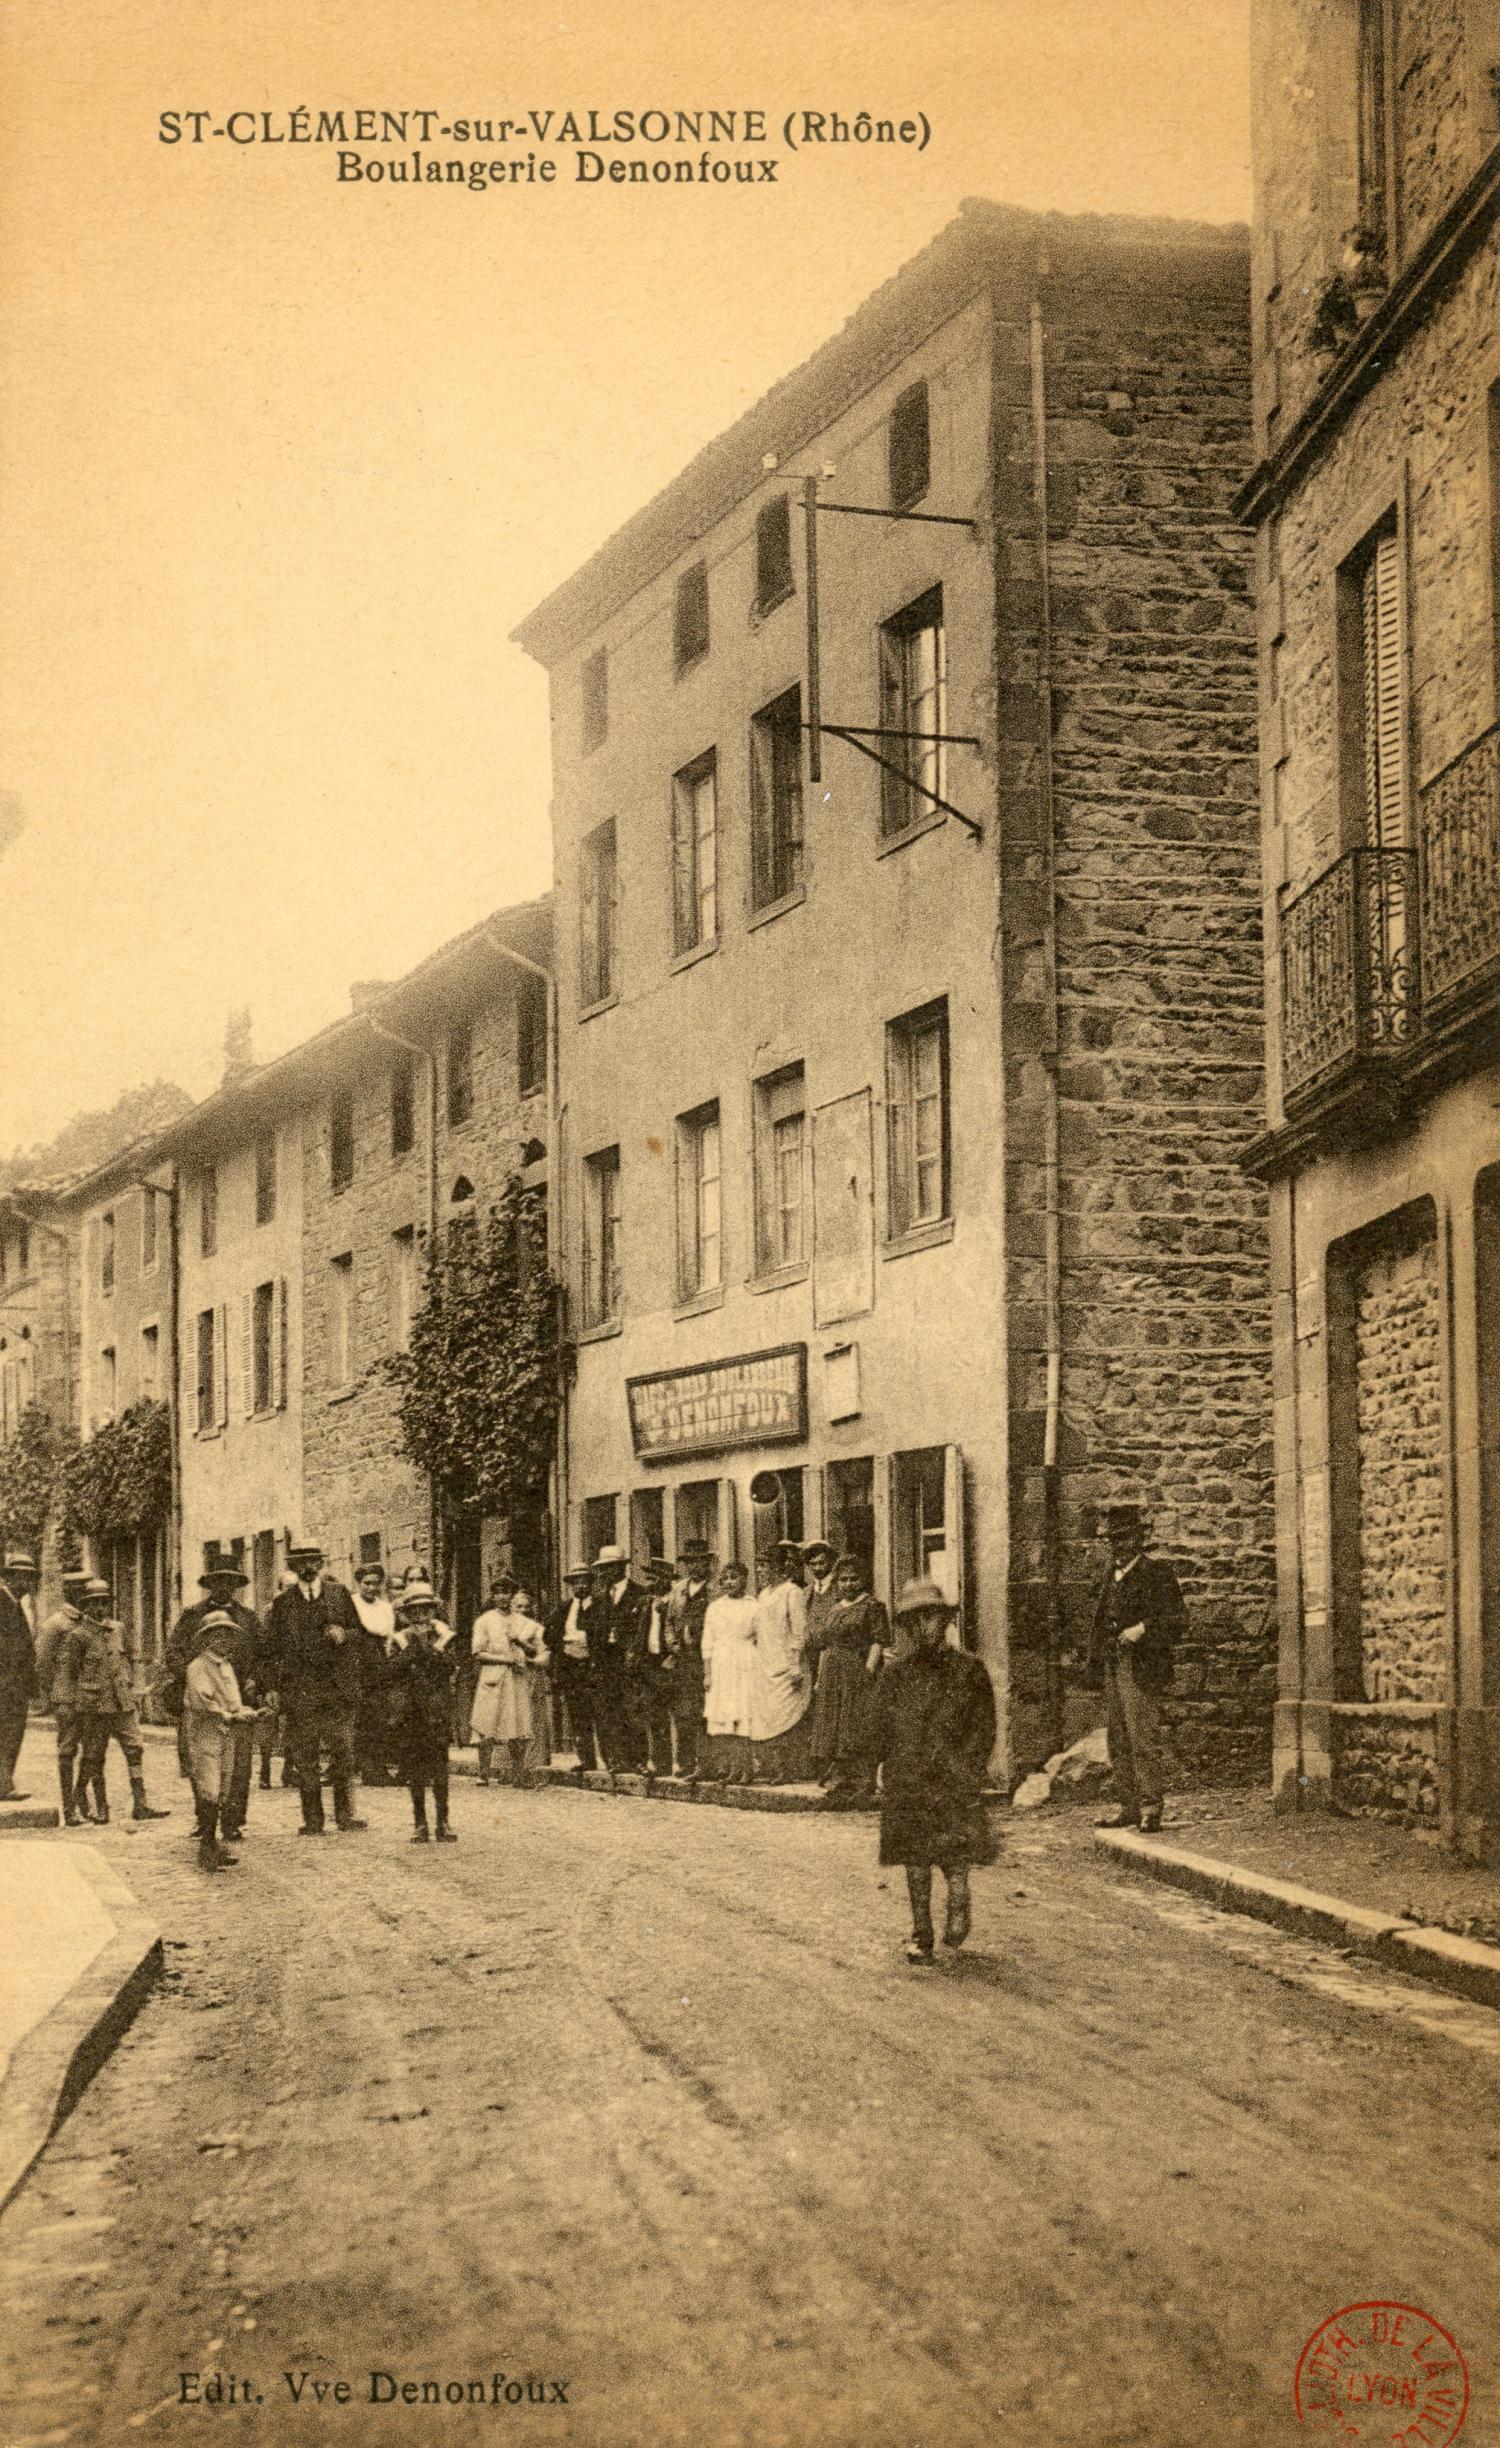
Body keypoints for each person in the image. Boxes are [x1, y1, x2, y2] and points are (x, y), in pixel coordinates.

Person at [873, 1580, 998, 1965]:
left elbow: (984, 1726)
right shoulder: (896, 1675)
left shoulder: (969, 1669)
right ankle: (921, 1932)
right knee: (915, 1856)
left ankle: (959, 1899)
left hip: (953, 1774)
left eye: (933, 1618)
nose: (925, 1626)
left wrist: (970, 1768)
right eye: (916, 1620)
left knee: (955, 1849)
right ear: (908, 1627)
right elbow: (879, 1726)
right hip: (908, 1774)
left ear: (946, 1622)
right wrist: (883, 1765)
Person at [1088, 1503, 1186, 1835]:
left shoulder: (1157, 1573)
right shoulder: (1108, 1577)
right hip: (1114, 1664)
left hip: (1141, 1665)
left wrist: (1141, 1629)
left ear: (1137, 1540)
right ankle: (1128, 1806)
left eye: (1124, 1538)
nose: (1117, 1546)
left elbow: (1177, 1620)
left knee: (1142, 1737)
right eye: (1112, 1540)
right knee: (1118, 1738)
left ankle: (1150, 1807)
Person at [267, 1537, 367, 1836]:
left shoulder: (339, 1594)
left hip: (337, 1690)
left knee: (343, 1753)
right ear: (294, 1567)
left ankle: (346, 1816)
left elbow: (360, 1635)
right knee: (306, 1757)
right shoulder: (283, 1604)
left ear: (321, 1564)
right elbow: (272, 1651)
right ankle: (313, 1820)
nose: (308, 1567)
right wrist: (272, 1687)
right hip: (302, 1691)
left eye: (313, 1561)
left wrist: (344, 1634)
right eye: (302, 1563)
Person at [163, 1559, 268, 1842]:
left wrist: (255, 1679)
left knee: (238, 1765)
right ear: (211, 1585)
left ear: (236, 1586)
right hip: (205, 1699)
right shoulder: (192, 1616)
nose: (224, 1588)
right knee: (204, 1762)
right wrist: (195, 1676)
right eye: (218, 1582)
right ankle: (204, 1819)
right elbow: (172, 1651)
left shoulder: (248, 1618)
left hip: (239, 1700)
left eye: (230, 1582)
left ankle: (233, 1821)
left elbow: (264, 1655)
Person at [62, 1578, 171, 1826]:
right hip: (94, 1706)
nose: (100, 1608)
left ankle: (140, 1804)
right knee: (94, 1756)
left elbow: (132, 1657)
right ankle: (98, 1804)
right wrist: (75, 1705)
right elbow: (69, 1673)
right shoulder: (77, 1635)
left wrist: (137, 1685)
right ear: (86, 1606)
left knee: (135, 1749)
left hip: (122, 1702)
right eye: (95, 1604)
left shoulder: (119, 1629)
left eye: (104, 1603)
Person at [182, 1612, 263, 1873]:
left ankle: (213, 1843)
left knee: (225, 1785)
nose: (224, 1639)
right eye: (218, 1634)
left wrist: (243, 1711)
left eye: (228, 1634)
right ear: (206, 1639)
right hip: (205, 1732)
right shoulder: (198, 1666)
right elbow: (203, 1701)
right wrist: (230, 1714)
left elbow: (232, 1700)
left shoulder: (225, 1666)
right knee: (210, 1787)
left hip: (226, 1732)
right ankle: (206, 1847)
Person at [810, 1554, 889, 1807]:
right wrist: (820, 1678)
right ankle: (840, 1780)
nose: (847, 1584)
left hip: (856, 1669)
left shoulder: (872, 1606)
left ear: (862, 1580)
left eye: (853, 1578)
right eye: (842, 1579)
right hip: (832, 1673)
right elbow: (824, 1645)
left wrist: (868, 1671)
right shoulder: (834, 1609)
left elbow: (878, 1641)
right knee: (833, 1725)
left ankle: (861, 1781)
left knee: (855, 1724)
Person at [386, 1580, 458, 1842]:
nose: (421, 1615)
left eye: (426, 1610)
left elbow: (449, 1666)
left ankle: (443, 1821)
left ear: (432, 1611)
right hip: (410, 1712)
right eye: (415, 1611)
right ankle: (419, 1822)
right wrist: (413, 1649)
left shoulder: (444, 1637)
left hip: (437, 1709)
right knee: (415, 1772)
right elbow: (391, 1672)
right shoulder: (399, 1639)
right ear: (407, 1613)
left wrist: (434, 1648)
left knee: (440, 1770)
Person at [748, 1541, 813, 1785]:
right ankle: (772, 1766)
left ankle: (788, 1769)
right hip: (766, 1662)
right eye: (760, 1566)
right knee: (768, 1714)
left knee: (788, 1715)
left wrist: (796, 1662)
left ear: (780, 1568)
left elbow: (800, 1631)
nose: (762, 1571)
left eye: (767, 1566)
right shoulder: (763, 1594)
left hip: (787, 1662)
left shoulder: (792, 1592)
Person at [470, 1577, 543, 1785]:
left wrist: (521, 1650)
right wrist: (504, 1660)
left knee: (518, 1725)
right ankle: (483, 1773)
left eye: (507, 1593)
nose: (503, 1597)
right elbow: (477, 1653)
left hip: (517, 1677)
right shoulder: (484, 1621)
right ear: (493, 1596)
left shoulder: (522, 1621)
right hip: (492, 1676)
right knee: (486, 1725)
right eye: (499, 1593)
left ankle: (518, 1773)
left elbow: (534, 1648)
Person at [37, 1568, 94, 1824]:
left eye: (86, 1589)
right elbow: (43, 1663)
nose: (84, 1593)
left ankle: (80, 1798)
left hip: (91, 1697)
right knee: (67, 1751)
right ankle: (69, 1809)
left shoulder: (89, 1622)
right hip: (67, 1697)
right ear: (69, 1592)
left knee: (92, 1750)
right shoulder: (55, 1624)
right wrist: (52, 1695)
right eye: (80, 1589)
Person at [588, 1544, 644, 1774]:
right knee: (609, 1711)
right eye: (604, 1568)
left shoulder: (639, 1594)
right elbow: (593, 1631)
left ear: (623, 1568)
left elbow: (642, 1628)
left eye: (612, 1567)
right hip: (606, 1662)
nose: (607, 1573)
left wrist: (634, 1653)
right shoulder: (600, 1598)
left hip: (629, 1660)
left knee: (632, 1711)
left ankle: (638, 1759)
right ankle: (616, 1759)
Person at [701, 1561, 758, 1784]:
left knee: (742, 1714)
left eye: (735, 1577)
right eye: (726, 1578)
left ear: (745, 1579)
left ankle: (747, 1769)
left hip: (745, 1662)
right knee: (724, 1716)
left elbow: (763, 1636)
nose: (730, 1582)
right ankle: (733, 1768)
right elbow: (708, 1641)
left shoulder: (754, 1605)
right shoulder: (715, 1607)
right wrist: (707, 1672)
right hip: (721, 1663)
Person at [664, 1539, 713, 1782]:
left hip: (707, 1658)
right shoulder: (679, 1590)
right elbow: (669, 1622)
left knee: (706, 1712)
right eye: (690, 1563)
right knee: (683, 1713)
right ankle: (685, 1761)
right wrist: (673, 1644)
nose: (695, 1567)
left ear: (708, 1563)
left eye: (700, 1562)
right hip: (683, 1659)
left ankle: (707, 1763)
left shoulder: (716, 1589)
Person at [350, 1561, 399, 1785]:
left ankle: (377, 1768)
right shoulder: (350, 1603)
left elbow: (388, 1637)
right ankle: (364, 1767)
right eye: (367, 1583)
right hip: (356, 1662)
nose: (371, 1587)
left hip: (378, 1663)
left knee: (378, 1716)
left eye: (376, 1583)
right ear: (359, 1583)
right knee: (359, 1718)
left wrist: (386, 1661)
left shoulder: (385, 1607)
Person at [631, 1554, 678, 1777]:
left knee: (678, 1714)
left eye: (655, 1578)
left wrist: (674, 1657)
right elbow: (639, 1632)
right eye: (648, 1578)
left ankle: (684, 1762)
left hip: (670, 1663)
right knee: (654, 1715)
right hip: (649, 1663)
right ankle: (661, 1764)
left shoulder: (676, 1600)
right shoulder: (645, 1602)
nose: (650, 1583)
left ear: (667, 1579)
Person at [550, 1563, 597, 1770]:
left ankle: (612, 1759)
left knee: (600, 1713)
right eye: (576, 1583)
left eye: (584, 1581)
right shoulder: (564, 1608)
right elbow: (549, 1634)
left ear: (590, 1584)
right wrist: (562, 1651)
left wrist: (587, 1642)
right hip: (571, 1669)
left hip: (593, 1667)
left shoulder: (600, 1605)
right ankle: (586, 1759)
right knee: (578, 1716)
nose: (580, 1586)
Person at [0, 1548, 38, 1802]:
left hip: (16, 1685)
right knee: (6, 1734)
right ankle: (4, 1785)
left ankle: (5, 1782)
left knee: (12, 1734)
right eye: (24, 1577)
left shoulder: (14, 1604)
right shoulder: (3, 1602)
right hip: (5, 1685)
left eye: (31, 1578)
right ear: (12, 1577)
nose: (28, 1583)